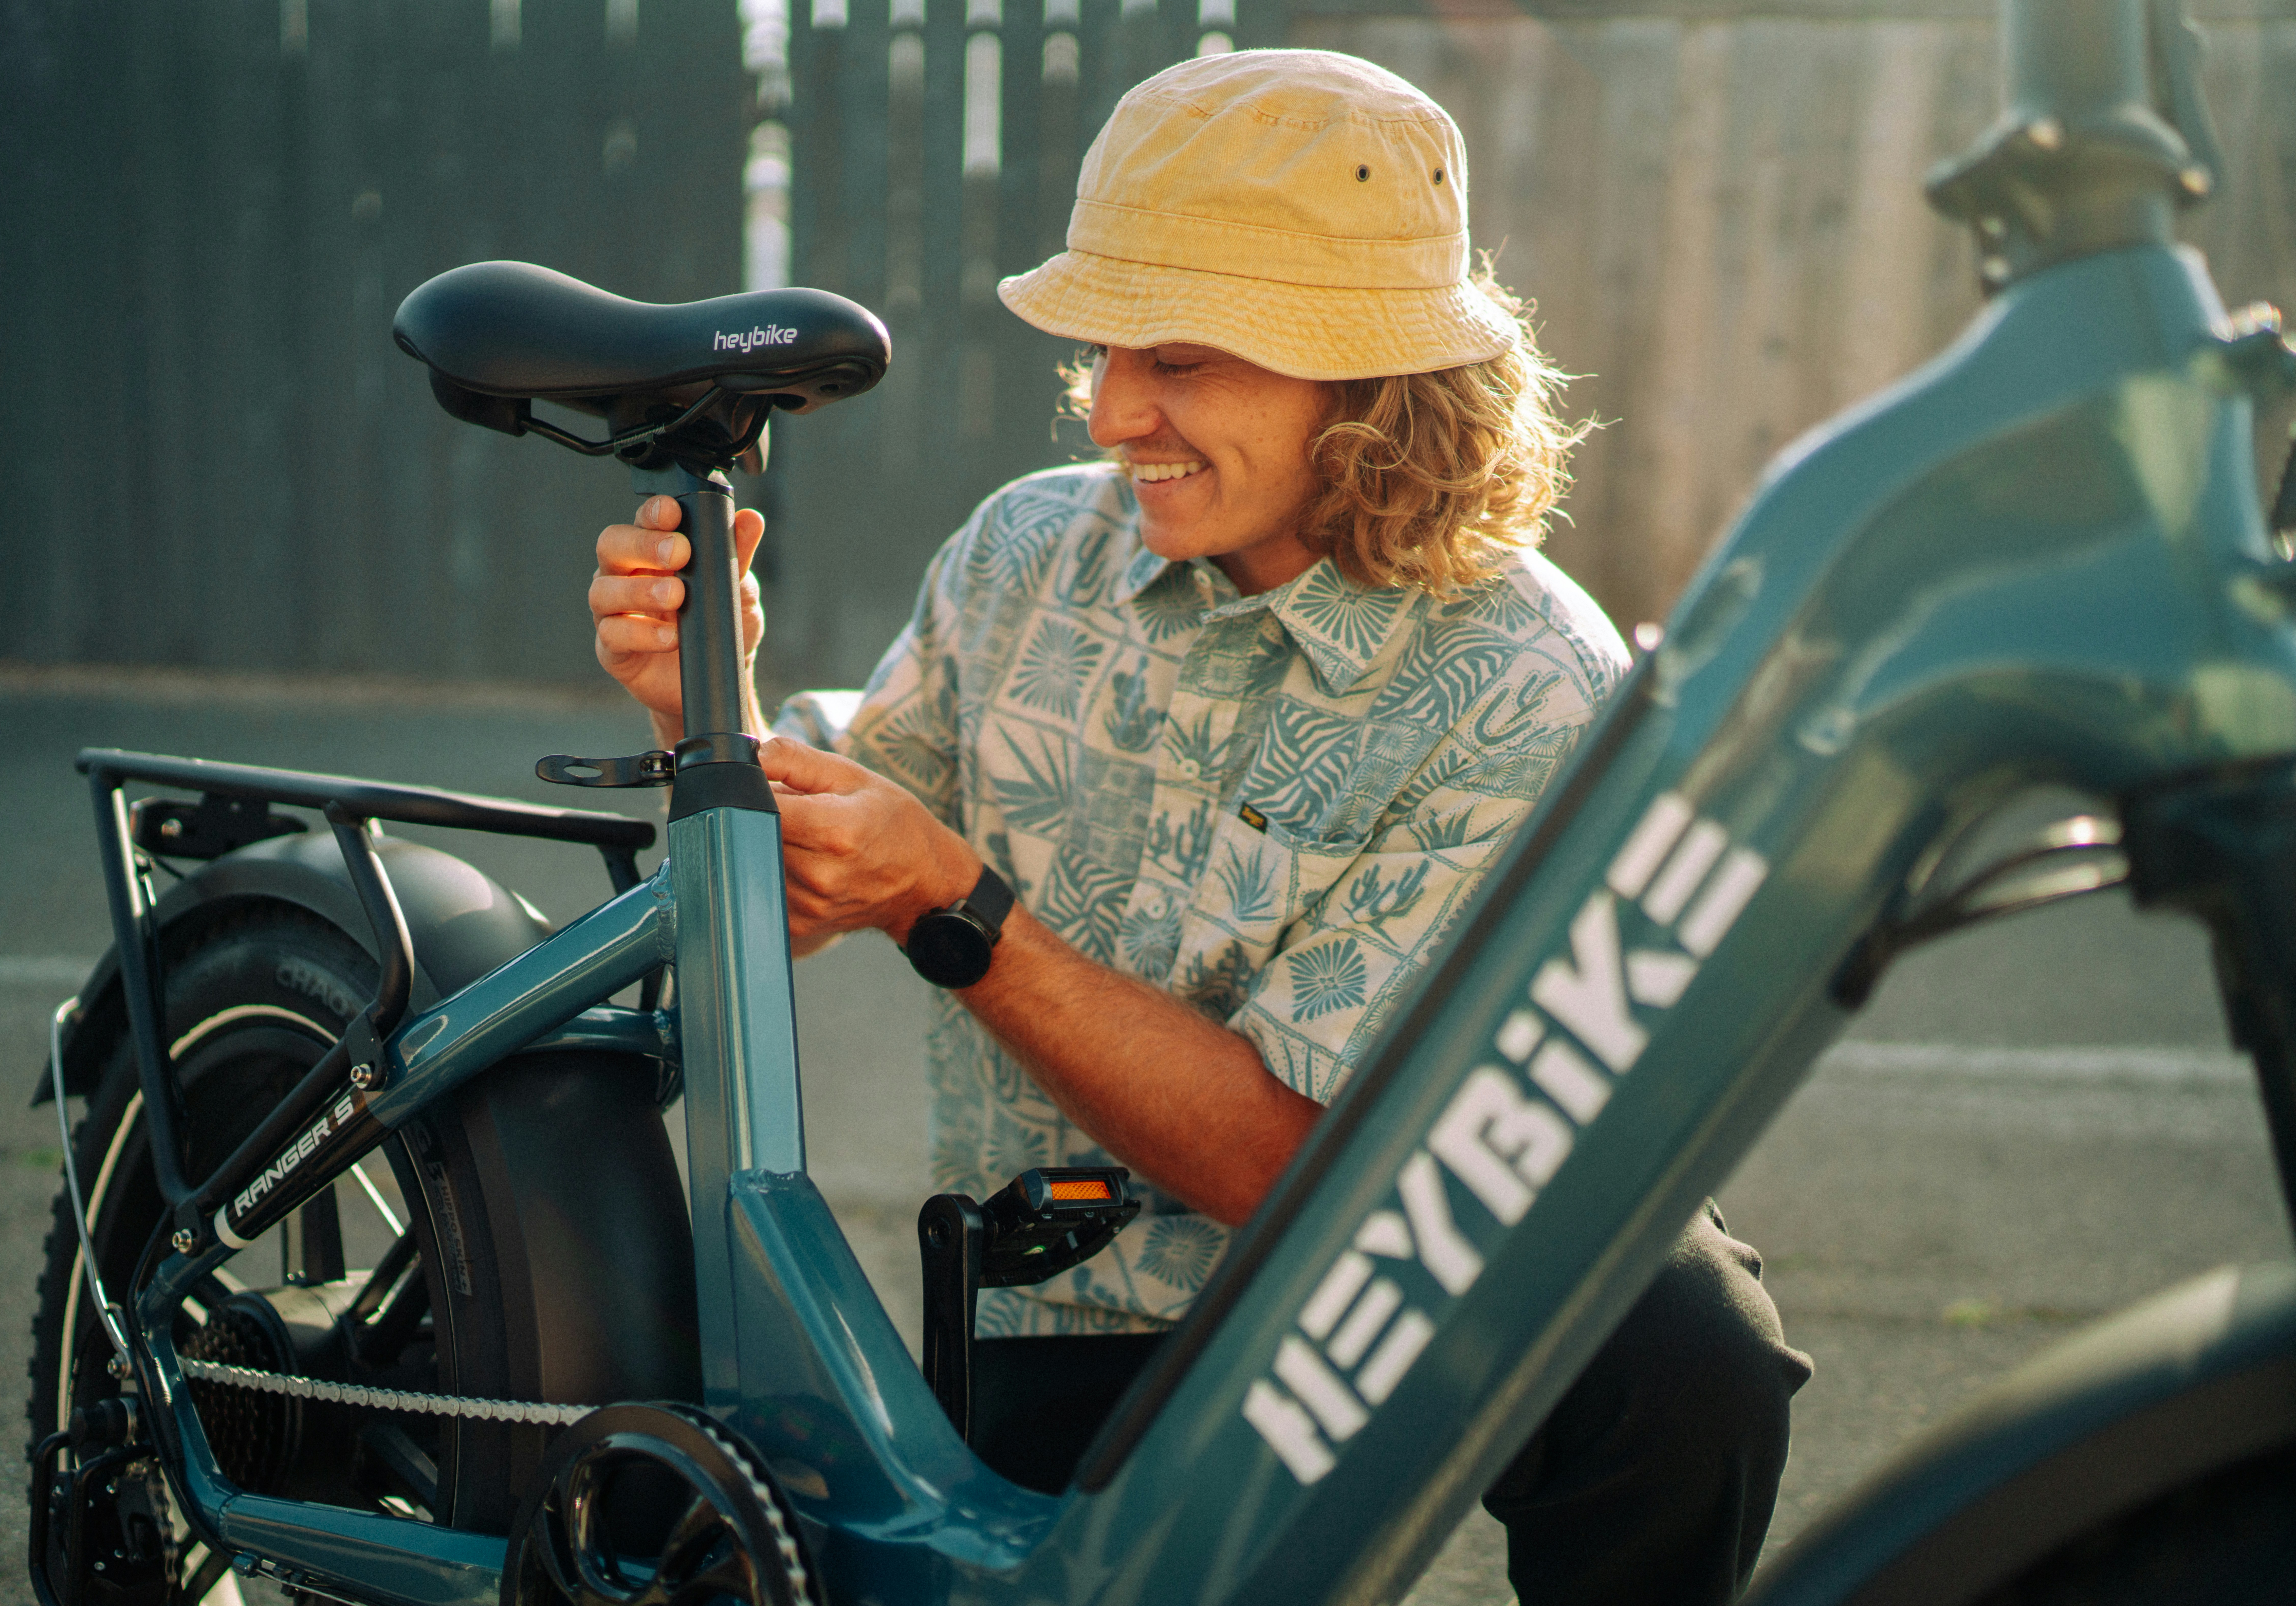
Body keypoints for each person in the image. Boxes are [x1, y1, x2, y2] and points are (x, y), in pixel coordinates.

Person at [588, 49, 1810, 1606]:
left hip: (1380, 1282)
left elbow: (1288, 1165)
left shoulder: (1529, 685)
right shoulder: (1029, 550)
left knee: (1680, 1339)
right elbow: (814, 883)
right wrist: (707, 702)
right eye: (1105, 347)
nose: (1111, 410)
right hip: (1075, 1309)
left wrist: (956, 911)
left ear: (1370, 385)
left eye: (1181, 357)